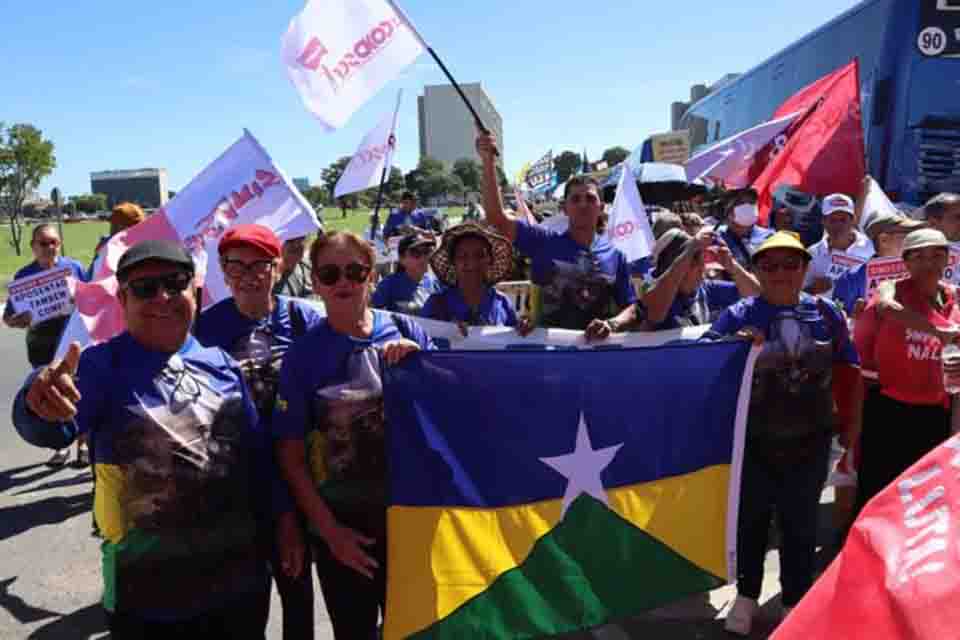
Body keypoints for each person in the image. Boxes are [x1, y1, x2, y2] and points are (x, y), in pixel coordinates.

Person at [11, 239, 295, 638]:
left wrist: (284, 522)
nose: (162, 296)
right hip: (148, 594)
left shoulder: (223, 366)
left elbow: (258, 460)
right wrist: (34, 401)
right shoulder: (101, 365)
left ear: (193, 293)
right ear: (122, 300)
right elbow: (48, 426)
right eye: (144, 288)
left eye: (174, 282)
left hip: (240, 585)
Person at [272, 231, 432, 639]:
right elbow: (290, 456)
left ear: (372, 275)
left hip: (412, 520)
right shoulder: (302, 357)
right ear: (315, 283)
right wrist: (330, 534)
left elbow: (443, 419)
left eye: (354, 271)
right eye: (329, 273)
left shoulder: (408, 329)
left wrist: (422, 368)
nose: (343, 281)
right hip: (345, 528)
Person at [704, 231, 863, 636]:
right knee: (751, 523)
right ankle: (746, 596)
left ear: (805, 268)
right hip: (753, 444)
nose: (780, 273)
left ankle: (794, 601)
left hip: (811, 441)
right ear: (756, 269)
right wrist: (730, 350)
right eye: (769, 265)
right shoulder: (738, 315)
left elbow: (850, 373)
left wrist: (852, 429)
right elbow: (702, 366)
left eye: (790, 263)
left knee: (801, 525)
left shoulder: (829, 314)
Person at [195, 225, 324, 640]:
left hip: (298, 474)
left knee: (297, 591)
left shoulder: (303, 318)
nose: (249, 275)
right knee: (243, 603)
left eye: (260, 265)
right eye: (236, 265)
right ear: (223, 270)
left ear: (279, 265)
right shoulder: (205, 328)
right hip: (237, 483)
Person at [477, 131, 636, 331]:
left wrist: (612, 324)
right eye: (575, 199)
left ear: (601, 207)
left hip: (597, 356)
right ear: (564, 208)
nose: (583, 205)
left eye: (590, 198)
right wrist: (488, 161)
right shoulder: (543, 242)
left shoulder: (616, 256)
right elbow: (496, 218)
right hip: (550, 356)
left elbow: (631, 307)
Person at [852, 229, 960, 515]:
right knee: (877, 492)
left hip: (938, 413)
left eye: (937, 255)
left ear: (948, 260)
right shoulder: (891, 288)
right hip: (890, 409)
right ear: (906, 262)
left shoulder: (954, 298)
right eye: (919, 256)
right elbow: (887, 308)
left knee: (924, 495)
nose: (929, 263)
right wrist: (937, 331)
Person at [3, 224, 88, 467]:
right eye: (43, 243)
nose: (50, 247)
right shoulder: (22, 277)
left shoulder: (74, 268)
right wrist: (18, 321)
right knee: (49, 393)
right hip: (41, 345)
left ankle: (82, 444)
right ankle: (60, 446)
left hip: (74, 343)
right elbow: (9, 317)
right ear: (33, 247)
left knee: (78, 392)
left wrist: (79, 299)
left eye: (54, 242)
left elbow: (92, 300)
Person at [594, 228, 761, 336]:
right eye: (693, 259)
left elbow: (757, 294)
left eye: (700, 257)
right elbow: (646, 312)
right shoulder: (659, 294)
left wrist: (733, 266)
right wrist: (691, 248)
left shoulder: (706, 289)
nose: (701, 265)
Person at [422, 222, 522, 329]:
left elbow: (515, 340)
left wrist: (524, 329)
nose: (472, 263)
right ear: (453, 263)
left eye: (480, 255)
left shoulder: (503, 303)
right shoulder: (436, 304)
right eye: (462, 256)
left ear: (490, 260)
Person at [832, 211, 924, 314]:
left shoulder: (921, 271)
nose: (915, 240)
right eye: (907, 235)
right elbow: (837, 318)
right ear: (884, 240)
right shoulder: (852, 277)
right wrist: (855, 319)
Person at [804, 194, 875, 297]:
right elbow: (799, 294)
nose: (838, 226)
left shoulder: (871, 248)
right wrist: (813, 289)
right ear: (823, 222)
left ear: (853, 220)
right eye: (832, 220)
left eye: (843, 220)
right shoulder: (812, 254)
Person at [371, 232, 440, 314]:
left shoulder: (435, 284)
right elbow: (374, 313)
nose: (423, 258)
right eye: (416, 253)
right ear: (402, 259)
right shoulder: (389, 284)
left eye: (426, 252)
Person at [717, 189, 775, 269]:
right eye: (741, 203)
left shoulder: (770, 236)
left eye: (751, 203)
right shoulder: (716, 236)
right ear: (728, 209)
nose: (748, 207)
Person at [88, 202, 146, 279]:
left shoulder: (107, 247)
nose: (111, 229)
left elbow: (90, 278)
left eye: (113, 225)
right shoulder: (105, 246)